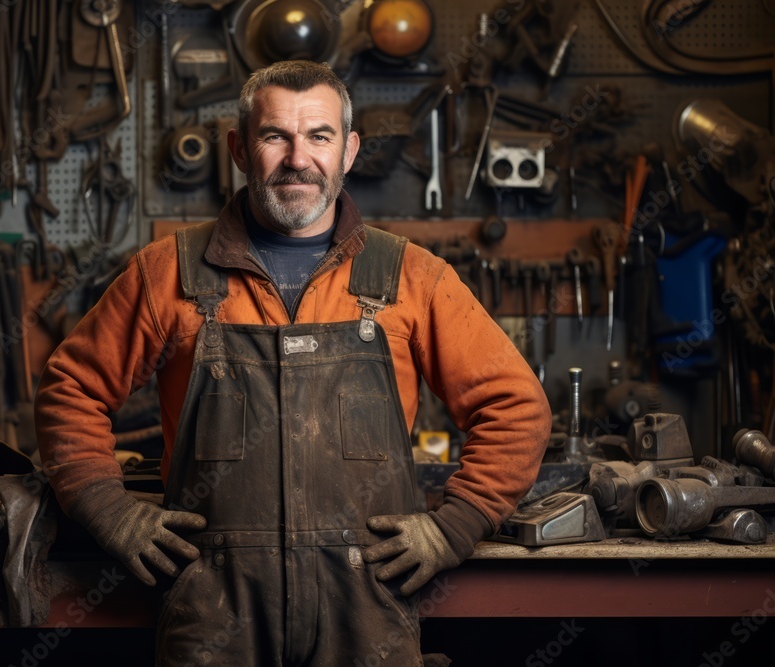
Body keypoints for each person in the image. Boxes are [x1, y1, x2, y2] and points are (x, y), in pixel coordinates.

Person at [35, 60, 551, 666]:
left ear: (350, 151)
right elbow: (71, 389)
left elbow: (516, 407)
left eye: (320, 137)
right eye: (274, 135)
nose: (297, 158)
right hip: (213, 608)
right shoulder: (170, 271)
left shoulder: (411, 276)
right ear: (238, 149)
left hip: (368, 606)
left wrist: (454, 526)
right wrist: (110, 512)